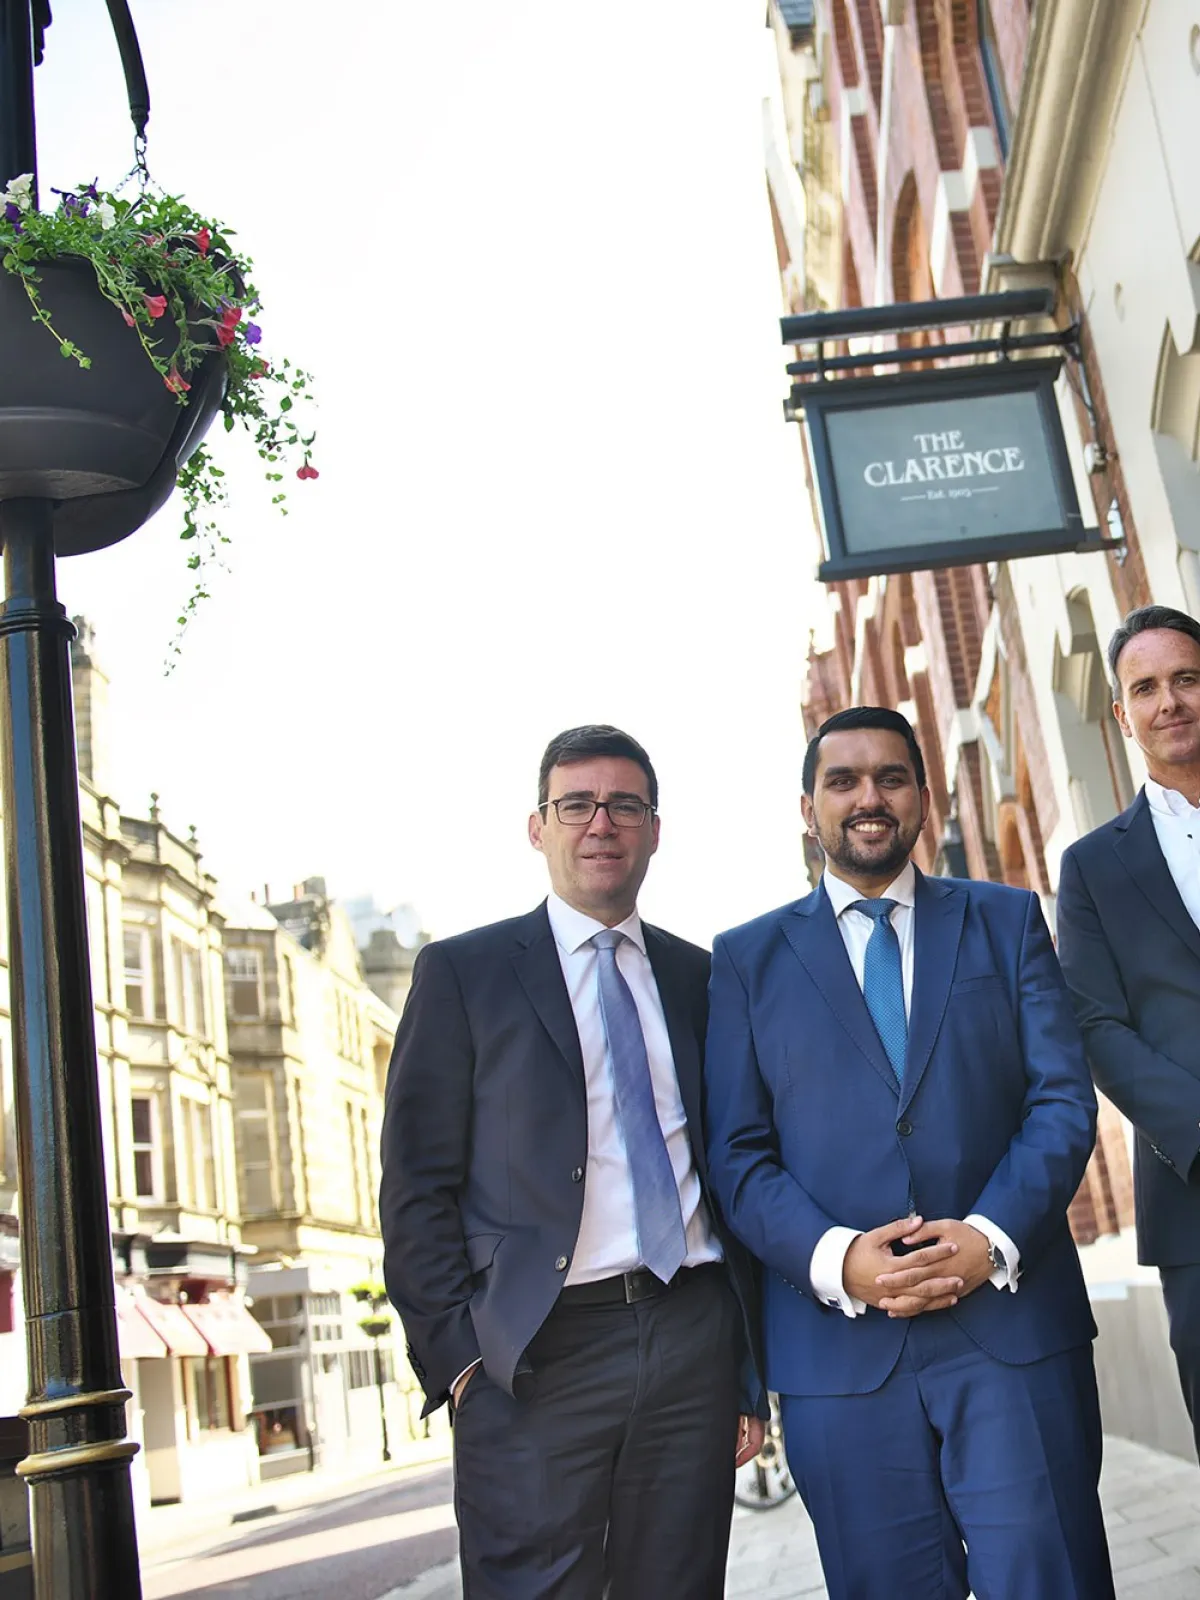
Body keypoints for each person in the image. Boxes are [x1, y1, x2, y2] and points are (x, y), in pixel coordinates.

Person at [703, 705, 1114, 1600]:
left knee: (1053, 1580)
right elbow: (736, 1156)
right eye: (841, 781)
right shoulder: (744, 961)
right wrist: (838, 1260)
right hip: (840, 1359)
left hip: (1011, 1329)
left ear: (923, 798)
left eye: (890, 777)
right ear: (806, 808)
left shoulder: (1006, 923)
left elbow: (1059, 1101)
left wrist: (990, 1235)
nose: (868, 798)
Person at [379, 724, 765, 1599]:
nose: (601, 823)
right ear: (538, 826)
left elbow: (733, 1160)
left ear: (655, 829)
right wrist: (461, 1358)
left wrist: (743, 1366)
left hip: (689, 1335)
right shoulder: (463, 974)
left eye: (624, 804)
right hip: (535, 1354)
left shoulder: (704, 978)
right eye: (576, 805)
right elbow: (415, 1186)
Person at [1057, 604, 1200, 1463]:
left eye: (1186, 678)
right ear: (1122, 714)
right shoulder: (1092, 867)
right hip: (1194, 1191)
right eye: (1145, 688)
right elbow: (1093, 1021)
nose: (1169, 702)